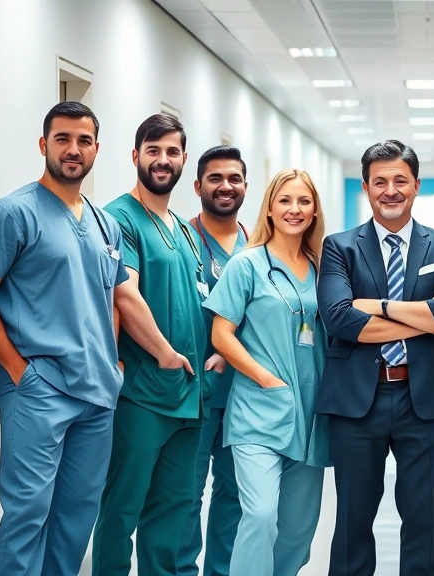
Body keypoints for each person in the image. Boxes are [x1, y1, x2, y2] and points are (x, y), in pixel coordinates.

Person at [0, 102, 191, 576]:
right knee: (27, 516)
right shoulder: (13, 213)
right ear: (44, 145)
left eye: (84, 141)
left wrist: (115, 366)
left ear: (97, 150)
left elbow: (115, 297)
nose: (73, 149)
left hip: (96, 396)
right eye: (62, 139)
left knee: (76, 520)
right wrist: (19, 370)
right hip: (40, 391)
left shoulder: (103, 224)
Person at [316, 139, 434, 576]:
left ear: (416, 185)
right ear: (366, 188)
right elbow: (339, 319)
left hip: (423, 399)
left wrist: (378, 306)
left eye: (400, 180)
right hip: (355, 401)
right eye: (380, 181)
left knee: (423, 521)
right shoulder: (339, 247)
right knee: (351, 521)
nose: (390, 190)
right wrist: (425, 318)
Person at [92, 114, 209, 576]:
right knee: (122, 510)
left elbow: (198, 299)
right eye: (153, 150)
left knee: (174, 510)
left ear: (183, 160)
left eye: (172, 151)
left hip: (188, 393)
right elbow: (125, 292)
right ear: (135, 155)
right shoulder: (120, 217)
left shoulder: (183, 228)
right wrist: (162, 351)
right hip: (142, 392)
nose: (163, 160)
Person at [205, 168, 330, 576]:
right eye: (285, 201)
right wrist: (263, 378)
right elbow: (222, 334)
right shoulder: (247, 265)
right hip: (260, 408)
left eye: (304, 202)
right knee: (259, 516)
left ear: (314, 212)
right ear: (270, 209)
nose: (295, 209)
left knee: (298, 529)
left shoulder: (322, 268)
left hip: (312, 414)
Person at [177, 146, 251, 576]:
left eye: (234, 179)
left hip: (242, 392)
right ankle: (184, 569)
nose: (225, 186)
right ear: (198, 185)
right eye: (215, 178)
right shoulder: (182, 241)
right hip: (193, 391)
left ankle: (221, 571)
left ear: (245, 185)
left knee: (235, 492)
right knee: (186, 493)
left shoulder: (258, 244)